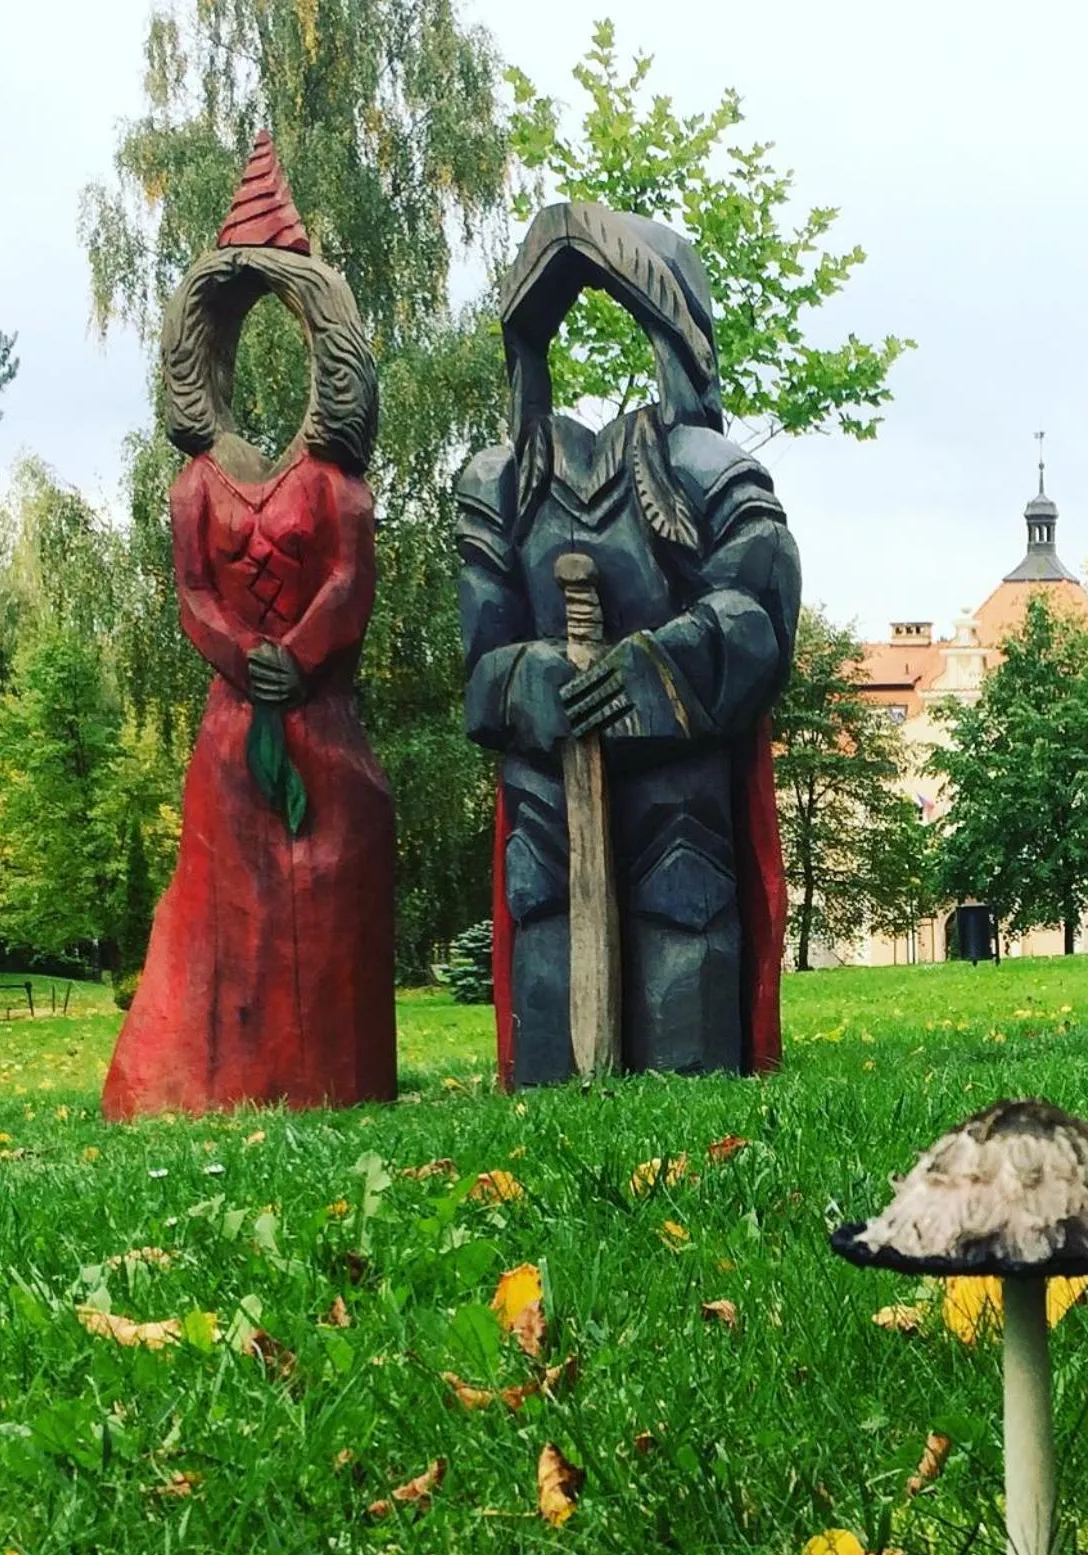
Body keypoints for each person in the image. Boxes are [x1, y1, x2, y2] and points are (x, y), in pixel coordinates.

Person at [456, 203, 798, 1085]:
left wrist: (649, 672)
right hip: (546, 793)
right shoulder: (498, 486)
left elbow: (760, 609)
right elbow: (480, 665)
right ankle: (553, 1074)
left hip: (678, 792)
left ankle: (689, 1071)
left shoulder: (706, 468)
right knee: (542, 911)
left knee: (685, 909)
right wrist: (535, 680)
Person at [102, 134, 396, 1120]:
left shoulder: (334, 487)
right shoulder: (195, 487)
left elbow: (349, 582)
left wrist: (299, 657)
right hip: (234, 736)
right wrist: (242, 659)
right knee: (231, 907)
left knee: (334, 871)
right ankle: (218, 1073)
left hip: (323, 729)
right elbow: (193, 594)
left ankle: (331, 1073)